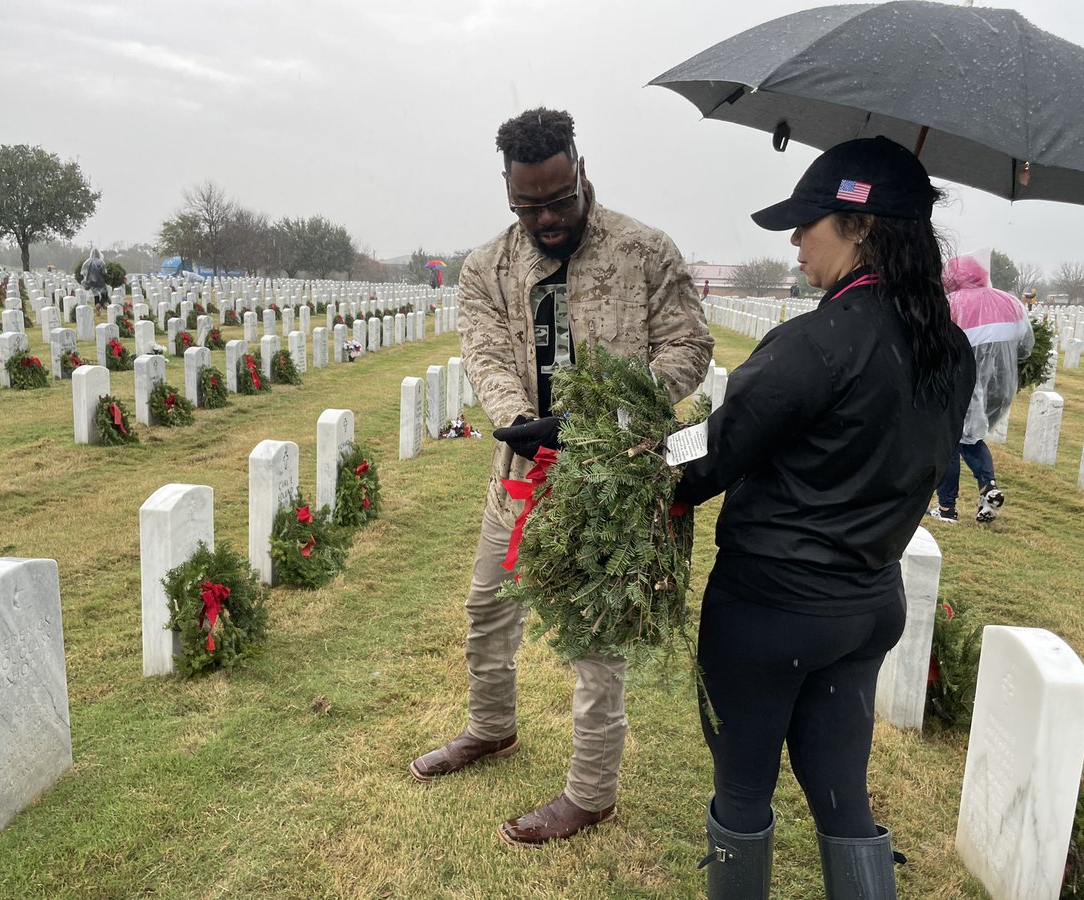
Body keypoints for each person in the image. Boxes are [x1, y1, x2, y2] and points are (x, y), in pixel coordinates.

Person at [673, 136, 973, 899]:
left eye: (809, 222)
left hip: (772, 609)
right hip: (869, 602)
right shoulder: (950, 347)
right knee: (842, 790)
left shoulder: (815, 342)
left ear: (862, 227)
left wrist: (625, 451)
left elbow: (708, 454)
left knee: (744, 789)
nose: (796, 240)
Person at [409, 107, 713, 847]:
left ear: (581, 171)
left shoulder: (646, 251)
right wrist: (519, 417)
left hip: (612, 477)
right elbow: (484, 353)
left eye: (559, 200)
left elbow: (689, 347)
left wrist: (601, 412)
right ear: (508, 191)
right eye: (528, 206)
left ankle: (591, 792)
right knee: (488, 607)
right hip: (520, 472)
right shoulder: (488, 268)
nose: (546, 218)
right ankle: (491, 728)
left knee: (596, 639)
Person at [929, 251, 1033, 524]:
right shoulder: (1009, 302)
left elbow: (936, 346)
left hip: (961, 383)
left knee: (949, 441)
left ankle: (947, 508)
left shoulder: (951, 304)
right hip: (998, 387)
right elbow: (1026, 346)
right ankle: (988, 486)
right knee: (973, 438)